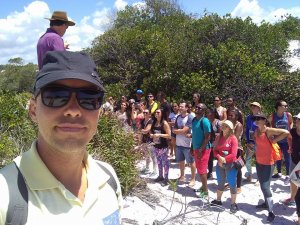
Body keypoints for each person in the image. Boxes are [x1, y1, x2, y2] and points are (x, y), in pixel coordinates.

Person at [0, 51, 122, 224]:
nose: (73, 110)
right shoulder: (5, 195)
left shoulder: (108, 178)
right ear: (33, 110)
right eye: (56, 96)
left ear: (99, 113)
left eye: (89, 99)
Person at [253, 113, 289, 222]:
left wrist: (274, 140)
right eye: (256, 118)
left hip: (268, 163)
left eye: (259, 118)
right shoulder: (256, 131)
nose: (257, 120)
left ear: (264, 120)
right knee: (263, 185)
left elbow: (286, 132)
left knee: (265, 186)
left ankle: (271, 212)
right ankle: (265, 203)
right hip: (259, 162)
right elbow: (257, 144)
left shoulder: (268, 130)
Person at [212, 120, 239, 213]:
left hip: (230, 164)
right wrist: (219, 157)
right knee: (220, 182)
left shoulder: (233, 138)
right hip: (220, 164)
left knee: (232, 183)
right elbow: (214, 150)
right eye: (223, 125)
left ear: (230, 129)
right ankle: (218, 200)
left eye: (226, 126)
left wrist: (224, 159)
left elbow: (234, 154)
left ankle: (233, 204)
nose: (223, 127)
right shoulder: (218, 137)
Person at [268, 100, 293, 183]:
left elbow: (291, 122)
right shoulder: (273, 116)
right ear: (278, 107)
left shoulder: (288, 115)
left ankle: (288, 175)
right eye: (284, 106)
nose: (286, 107)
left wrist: (290, 130)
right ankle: (279, 173)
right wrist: (271, 133)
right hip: (277, 140)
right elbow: (268, 124)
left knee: (287, 157)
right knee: (278, 157)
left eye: (286, 105)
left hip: (286, 140)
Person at [190, 103, 211, 198]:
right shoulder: (194, 120)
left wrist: (200, 149)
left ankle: (205, 191)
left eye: (200, 108)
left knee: (202, 171)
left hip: (204, 149)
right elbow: (194, 135)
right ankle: (203, 187)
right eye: (197, 107)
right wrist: (192, 147)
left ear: (203, 111)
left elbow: (208, 137)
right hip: (196, 148)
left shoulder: (205, 121)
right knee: (199, 169)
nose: (197, 108)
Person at [173, 102, 196, 187]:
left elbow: (185, 130)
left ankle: (193, 179)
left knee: (191, 162)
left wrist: (179, 131)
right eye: (179, 106)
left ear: (186, 108)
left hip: (188, 144)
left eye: (182, 106)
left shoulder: (190, 117)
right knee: (181, 161)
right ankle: (182, 176)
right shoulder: (178, 117)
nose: (180, 108)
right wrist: (180, 131)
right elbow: (174, 130)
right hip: (179, 143)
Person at [281, 113, 300, 207]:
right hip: (294, 159)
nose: (297, 121)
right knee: (293, 180)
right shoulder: (292, 131)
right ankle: (292, 199)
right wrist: (290, 146)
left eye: (299, 120)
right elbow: (289, 137)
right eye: (297, 119)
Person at [150, 108, 171, 186]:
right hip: (156, 145)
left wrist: (159, 135)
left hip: (163, 146)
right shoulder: (154, 122)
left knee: (165, 162)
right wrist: (152, 135)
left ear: (162, 114)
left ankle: (166, 178)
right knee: (158, 161)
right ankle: (160, 176)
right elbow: (151, 131)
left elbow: (169, 135)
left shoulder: (164, 123)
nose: (156, 114)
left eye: (158, 112)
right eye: (155, 112)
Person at [244, 101, 261, 182]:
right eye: (252, 106)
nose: (253, 107)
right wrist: (247, 142)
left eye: (255, 106)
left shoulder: (262, 118)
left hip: (259, 143)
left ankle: (259, 178)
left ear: (259, 108)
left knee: (259, 160)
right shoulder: (249, 117)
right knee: (248, 159)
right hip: (250, 142)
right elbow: (247, 130)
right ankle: (249, 175)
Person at [228, 109, 244, 194]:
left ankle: (239, 186)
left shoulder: (239, 125)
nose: (229, 117)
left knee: (237, 167)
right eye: (229, 115)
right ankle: (231, 182)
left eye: (232, 115)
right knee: (229, 166)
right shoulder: (229, 123)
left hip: (237, 148)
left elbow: (236, 138)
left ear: (237, 117)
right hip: (228, 147)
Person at [140, 108, 158, 177]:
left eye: (146, 113)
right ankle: (147, 168)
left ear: (149, 114)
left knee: (153, 156)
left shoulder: (151, 121)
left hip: (151, 141)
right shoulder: (142, 121)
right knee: (146, 155)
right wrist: (140, 141)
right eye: (144, 112)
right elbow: (142, 131)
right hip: (144, 140)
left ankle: (155, 170)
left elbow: (146, 131)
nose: (145, 114)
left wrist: (141, 130)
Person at [206, 107, 221, 179]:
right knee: (209, 158)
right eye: (208, 113)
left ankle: (221, 172)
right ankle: (210, 171)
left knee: (218, 158)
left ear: (214, 114)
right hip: (207, 142)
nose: (209, 114)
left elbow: (220, 133)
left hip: (217, 143)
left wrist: (212, 134)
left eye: (211, 113)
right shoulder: (206, 121)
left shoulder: (218, 122)